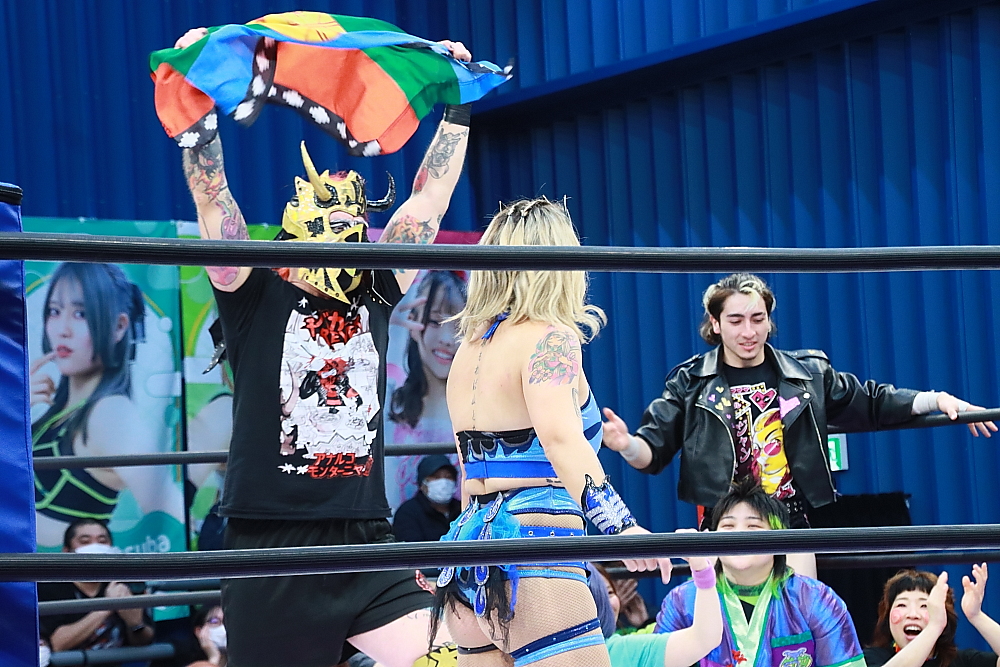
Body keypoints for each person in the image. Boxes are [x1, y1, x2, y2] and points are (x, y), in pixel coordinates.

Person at [173, 25, 474, 667]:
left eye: (354, 218)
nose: (347, 226)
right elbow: (212, 198)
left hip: (363, 537)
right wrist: (195, 102)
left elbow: (428, 199)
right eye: (331, 217)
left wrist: (458, 103)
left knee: (450, 659)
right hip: (270, 544)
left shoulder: (376, 290)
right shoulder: (251, 289)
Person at [433, 197, 672, 665]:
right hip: (535, 554)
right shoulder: (550, 339)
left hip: (468, 559)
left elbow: (469, 469)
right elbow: (561, 439)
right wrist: (621, 527)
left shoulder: (469, 351)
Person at [603, 273, 995, 537]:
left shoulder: (808, 373)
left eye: (758, 318)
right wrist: (626, 445)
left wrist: (938, 399)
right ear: (715, 323)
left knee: (796, 623)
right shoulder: (690, 381)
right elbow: (652, 452)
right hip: (724, 525)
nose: (748, 331)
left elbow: (873, 401)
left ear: (769, 320)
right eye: (736, 320)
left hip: (792, 522)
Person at [30, 262, 183, 549]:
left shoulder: (110, 414)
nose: (62, 329)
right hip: (33, 570)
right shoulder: (62, 409)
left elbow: (173, 513)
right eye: (54, 311)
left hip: (66, 573)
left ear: (119, 326)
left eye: (81, 314)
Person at [655, 478, 867, 667]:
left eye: (753, 526)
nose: (739, 535)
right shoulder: (682, 601)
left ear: (779, 538)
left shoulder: (814, 598)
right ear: (710, 537)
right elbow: (656, 661)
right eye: (728, 526)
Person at [384, 270, 467, 511]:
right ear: (413, 322)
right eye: (435, 322)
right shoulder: (389, 395)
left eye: (458, 326)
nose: (447, 339)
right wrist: (381, 322)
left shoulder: (479, 408)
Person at [37, 520, 154, 658]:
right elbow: (55, 645)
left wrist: (135, 624)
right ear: (67, 551)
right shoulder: (49, 588)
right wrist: (107, 606)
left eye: (102, 541)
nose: (95, 547)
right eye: (85, 542)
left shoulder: (123, 584)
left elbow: (143, 641)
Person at [588, 562, 723, 667]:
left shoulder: (622, 649)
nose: (606, 603)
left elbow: (703, 639)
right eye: (595, 595)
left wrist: (701, 568)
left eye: (610, 593)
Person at [865, 566, 1000, 667]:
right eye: (902, 605)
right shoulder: (870, 658)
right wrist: (934, 626)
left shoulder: (962, 661)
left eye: (924, 606)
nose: (913, 614)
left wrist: (976, 615)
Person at [392, 455, 462, 543]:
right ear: (422, 484)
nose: (444, 482)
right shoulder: (407, 513)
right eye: (436, 477)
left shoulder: (462, 509)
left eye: (448, 477)